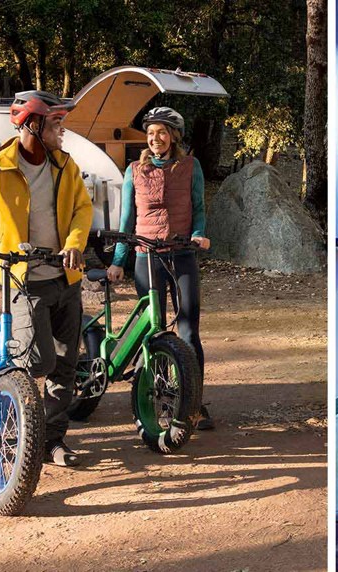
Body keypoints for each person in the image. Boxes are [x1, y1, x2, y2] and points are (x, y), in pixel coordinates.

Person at [0, 90, 93, 467]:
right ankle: (11, 416)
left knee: (67, 366)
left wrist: (74, 242)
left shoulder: (65, 166)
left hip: (65, 279)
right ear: (32, 125)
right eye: (56, 124)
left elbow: (83, 210)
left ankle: (51, 440)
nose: (62, 131)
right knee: (37, 360)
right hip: (21, 281)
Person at [105, 106, 213, 430]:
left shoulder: (191, 167)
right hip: (146, 255)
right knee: (152, 329)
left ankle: (194, 402)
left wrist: (198, 235)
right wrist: (118, 261)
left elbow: (199, 211)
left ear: (174, 136)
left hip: (181, 255)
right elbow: (126, 221)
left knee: (189, 330)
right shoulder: (134, 171)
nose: (155, 139)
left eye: (162, 132)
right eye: (151, 134)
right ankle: (157, 397)